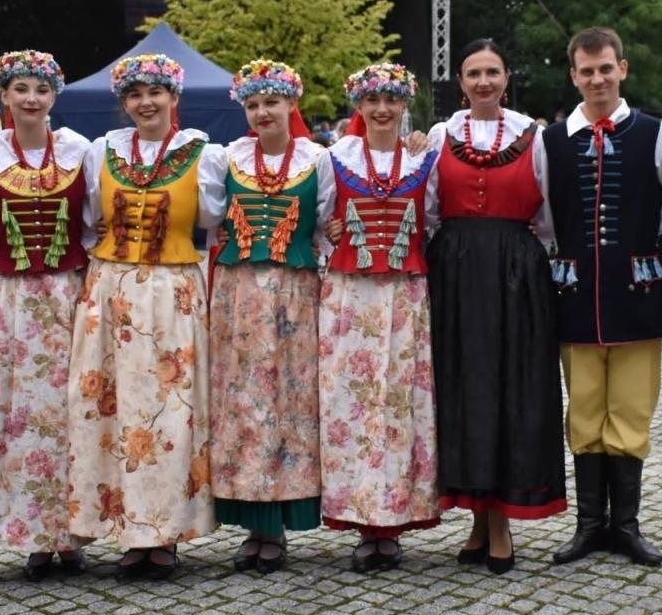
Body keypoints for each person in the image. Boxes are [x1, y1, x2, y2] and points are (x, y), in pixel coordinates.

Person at [65, 54, 220, 579]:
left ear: (174, 97)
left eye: (155, 92)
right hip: (111, 290)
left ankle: (165, 531)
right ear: (124, 103)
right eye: (134, 95)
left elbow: (214, 219)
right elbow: (90, 218)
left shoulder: (204, 154)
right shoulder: (101, 151)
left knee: (172, 410)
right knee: (111, 408)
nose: (145, 102)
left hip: (173, 291)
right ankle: (128, 529)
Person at [542, 27, 662, 568]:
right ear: (573, 76)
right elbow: (544, 212)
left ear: (622, 69)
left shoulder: (655, 133)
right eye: (587, 71)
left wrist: (645, 238)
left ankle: (626, 525)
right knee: (584, 411)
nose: (597, 79)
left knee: (631, 409)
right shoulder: (552, 140)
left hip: (636, 294)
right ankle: (588, 526)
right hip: (575, 294)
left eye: (606, 68)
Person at [426, 40, 565, 574]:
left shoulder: (535, 137)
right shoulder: (440, 135)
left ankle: (500, 518)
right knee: (463, 388)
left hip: (515, 274)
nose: (483, 82)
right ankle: (478, 517)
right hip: (456, 272)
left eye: (492, 72)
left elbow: (548, 216)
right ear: (461, 82)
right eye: (473, 73)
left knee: (512, 386)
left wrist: (521, 255)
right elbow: (428, 209)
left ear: (507, 78)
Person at [0, 51, 91, 579]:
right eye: (21, 89)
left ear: (54, 96)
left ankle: (70, 534)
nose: (31, 98)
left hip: (64, 294)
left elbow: (92, 221)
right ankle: (31, 534)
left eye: (41, 89)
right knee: (11, 411)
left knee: (66, 411)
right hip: (5, 297)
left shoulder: (80, 150)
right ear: (4, 96)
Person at [204, 59, 334, 574]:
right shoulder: (226, 157)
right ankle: (255, 524)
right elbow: (209, 217)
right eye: (254, 104)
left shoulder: (317, 159)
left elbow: (325, 225)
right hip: (238, 294)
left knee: (290, 404)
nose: (263, 112)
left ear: (291, 104)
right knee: (244, 404)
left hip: (294, 293)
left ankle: (281, 519)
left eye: (272, 103)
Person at [317, 62, 440, 571]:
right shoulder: (335, 158)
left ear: (404, 104)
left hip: (406, 296)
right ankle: (360, 516)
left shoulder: (423, 158)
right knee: (351, 404)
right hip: (350, 296)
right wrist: (332, 239)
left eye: (391, 100)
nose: (383, 109)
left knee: (400, 405)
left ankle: (393, 521)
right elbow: (317, 220)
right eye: (373, 101)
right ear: (359, 106)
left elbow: (435, 219)